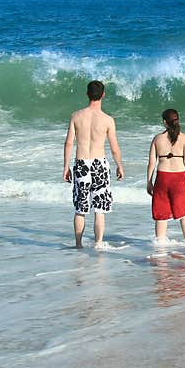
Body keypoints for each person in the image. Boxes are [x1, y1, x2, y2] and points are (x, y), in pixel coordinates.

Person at [63, 80, 124, 248]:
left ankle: (78, 244)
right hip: (99, 165)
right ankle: (98, 243)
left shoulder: (76, 116)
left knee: (80, 208)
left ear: (87, 94)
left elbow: (68, 143)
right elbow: (114, 147)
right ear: (103, 95)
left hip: (82, 164)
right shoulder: (107, 120)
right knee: (100, 208)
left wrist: (66, 167)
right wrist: (119, 165)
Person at [146, 108, 185, 242]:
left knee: (161, 214)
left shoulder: (157, 139)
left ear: (164, 122)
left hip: (162, 178)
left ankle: (160, 245)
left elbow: (152, 162)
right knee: (184, 212)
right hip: (179, 178)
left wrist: (149, 181)